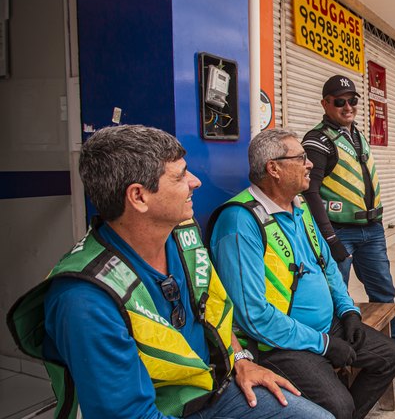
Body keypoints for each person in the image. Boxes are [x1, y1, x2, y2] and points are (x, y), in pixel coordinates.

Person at [7, 125, 330, 419]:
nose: (195, 182)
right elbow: (131, 414)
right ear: (139, 196)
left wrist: (241, 359)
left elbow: (212, 308)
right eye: (180, 176)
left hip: (213, 387)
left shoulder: (183, 236)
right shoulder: (85, 299)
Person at [208, 129, 395, 419]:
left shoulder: (300, 206)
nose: (309, 163)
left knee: (390, 356)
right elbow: (253, 315)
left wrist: (348, 311)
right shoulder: (239, 221)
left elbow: (328, 266)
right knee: (339, 406)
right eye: (300, 158)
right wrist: (324, 345)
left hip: (326, 328)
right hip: (277, 343)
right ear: (273, 168)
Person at [301, 74, 395, 375]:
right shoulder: (317, 140)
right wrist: (330, 239)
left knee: (384, 293)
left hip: (371, 231)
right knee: (335, 299)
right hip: (338, 231)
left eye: (353, 100)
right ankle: (338, 364)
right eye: (339, 101)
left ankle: (394, 354)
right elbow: (310, 192)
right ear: (325, 104)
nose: (348, 106)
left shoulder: (356, 134)